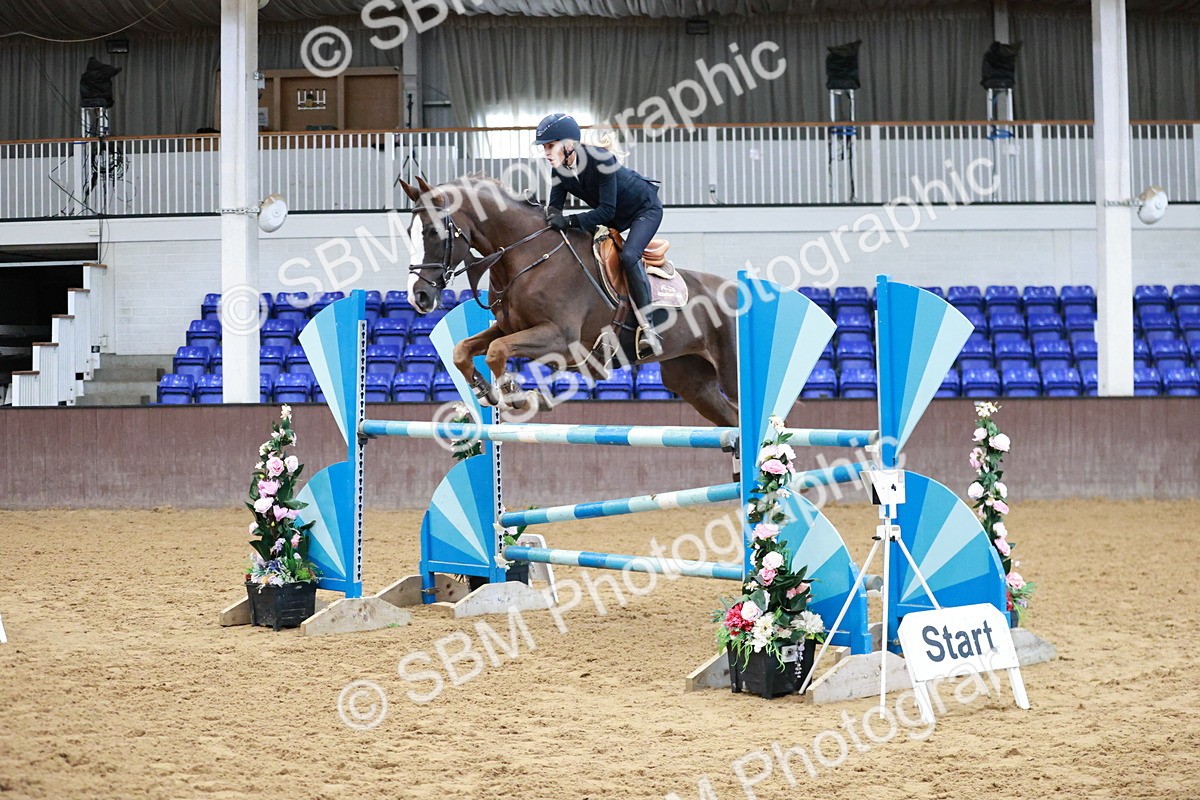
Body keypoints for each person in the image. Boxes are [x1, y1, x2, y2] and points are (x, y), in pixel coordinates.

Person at [534, 112, 666, 357]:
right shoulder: (559, 170)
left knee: (629, 256)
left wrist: (570, 220)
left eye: (550, 146)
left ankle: (649, 326)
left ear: (569, 144)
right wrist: (540, 217)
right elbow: (555, 209)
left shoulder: (600, 160)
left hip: (643, 210)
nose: (546, 153)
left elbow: (606, 210)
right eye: (544, 148)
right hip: (612, 217)